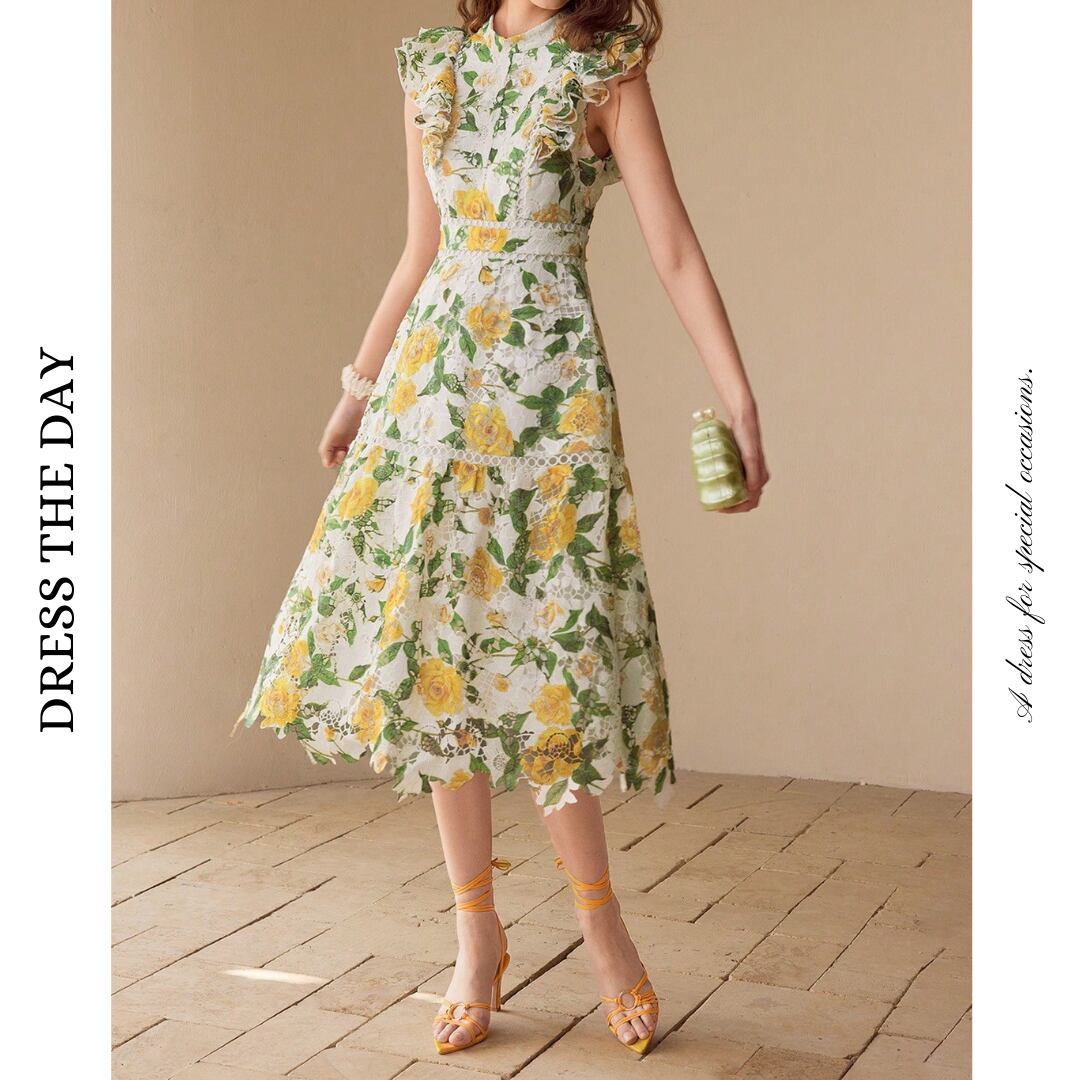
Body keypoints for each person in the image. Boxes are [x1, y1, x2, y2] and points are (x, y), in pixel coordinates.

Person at [235, 0, 767, 1056]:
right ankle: (477, 940)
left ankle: (602, 931)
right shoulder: (434, 67)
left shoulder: (604, 72)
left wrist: (741, 403)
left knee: (549, 662)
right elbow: (420, 251)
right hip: (433, 397)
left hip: (549, 400)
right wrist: (357, 390)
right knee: (444, 657)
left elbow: (672, 248)